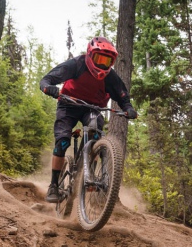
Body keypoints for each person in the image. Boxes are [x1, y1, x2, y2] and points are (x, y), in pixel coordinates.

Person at [40, 36, 137, 203]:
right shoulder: (76, 64)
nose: (102, 64)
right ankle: (54, 185)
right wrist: (49, 87)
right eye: (99, 58)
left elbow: (123, 97)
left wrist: (128, 109)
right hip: (68, 104)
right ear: (90, 55)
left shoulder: (111, 77)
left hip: (92, 108)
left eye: (107, 61)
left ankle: (89, 174)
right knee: (62, 141)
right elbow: (47, 79)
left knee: (95, 134)